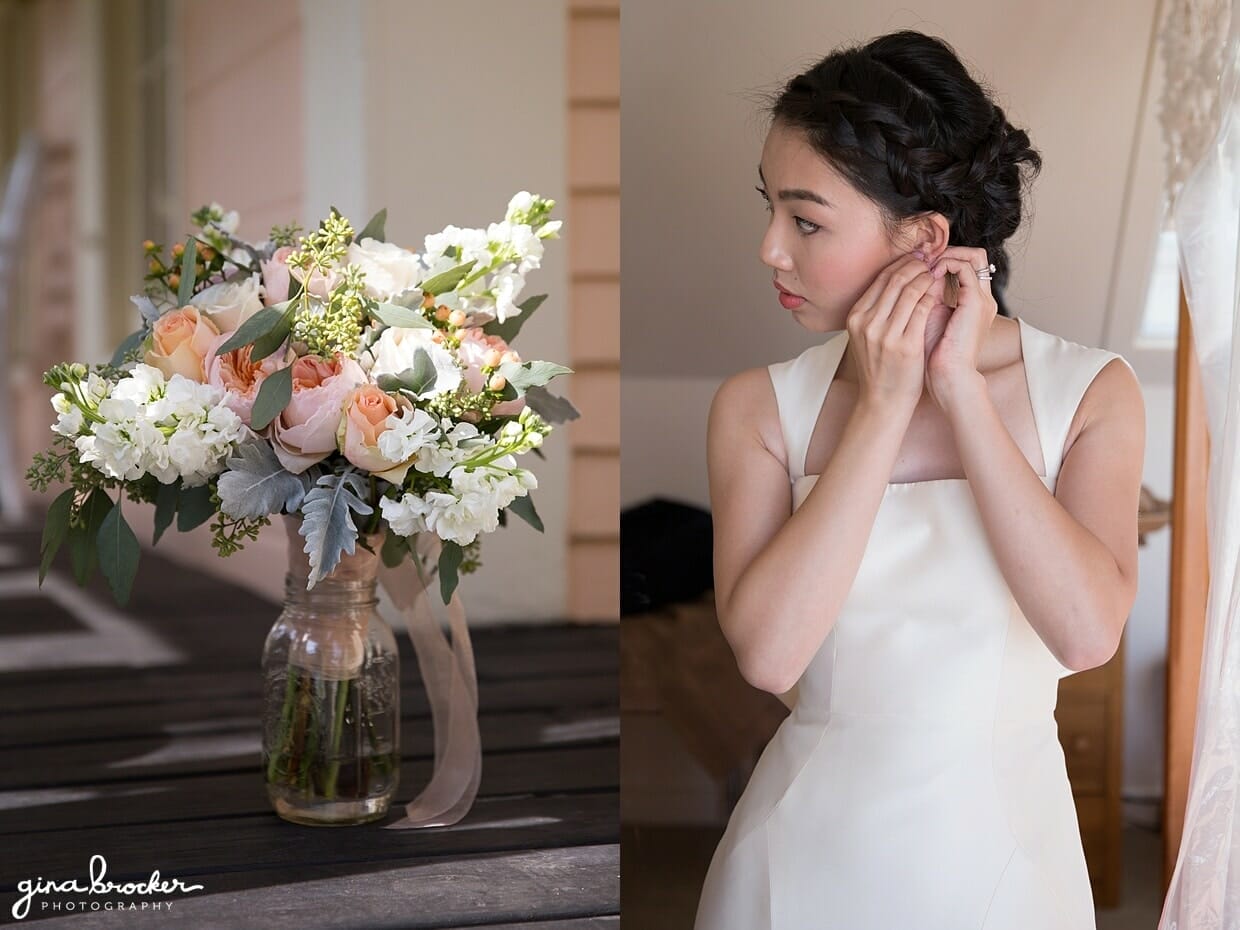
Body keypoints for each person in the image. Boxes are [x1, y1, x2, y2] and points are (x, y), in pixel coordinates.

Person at [695, 29, 1145, 929]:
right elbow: (769, 656)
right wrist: (882, 408)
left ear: (925, 239)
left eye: (806, 220)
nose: (769, 249)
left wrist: (959, 394)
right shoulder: (756, 408)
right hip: (798, 864)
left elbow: (1087, 634)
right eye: (770, 211)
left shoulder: (1093, 392)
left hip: (1008, 863)